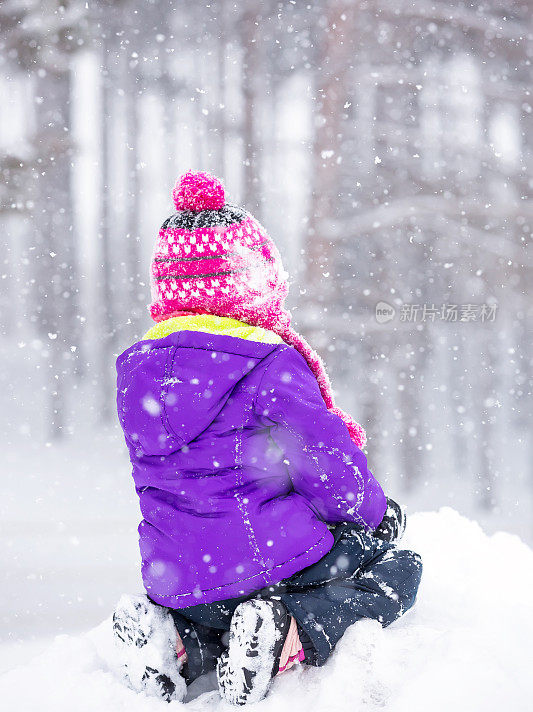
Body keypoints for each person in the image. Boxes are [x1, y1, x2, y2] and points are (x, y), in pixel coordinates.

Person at [113, 171, 422, 705]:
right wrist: (374, 515)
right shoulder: (267, 362)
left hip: (176, 575)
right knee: (399, 569)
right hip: (265, 563)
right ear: (249, 279)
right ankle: (288, 633)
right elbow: (329, 468)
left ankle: (181, 641)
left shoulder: (134, 369)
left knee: (218, 606)